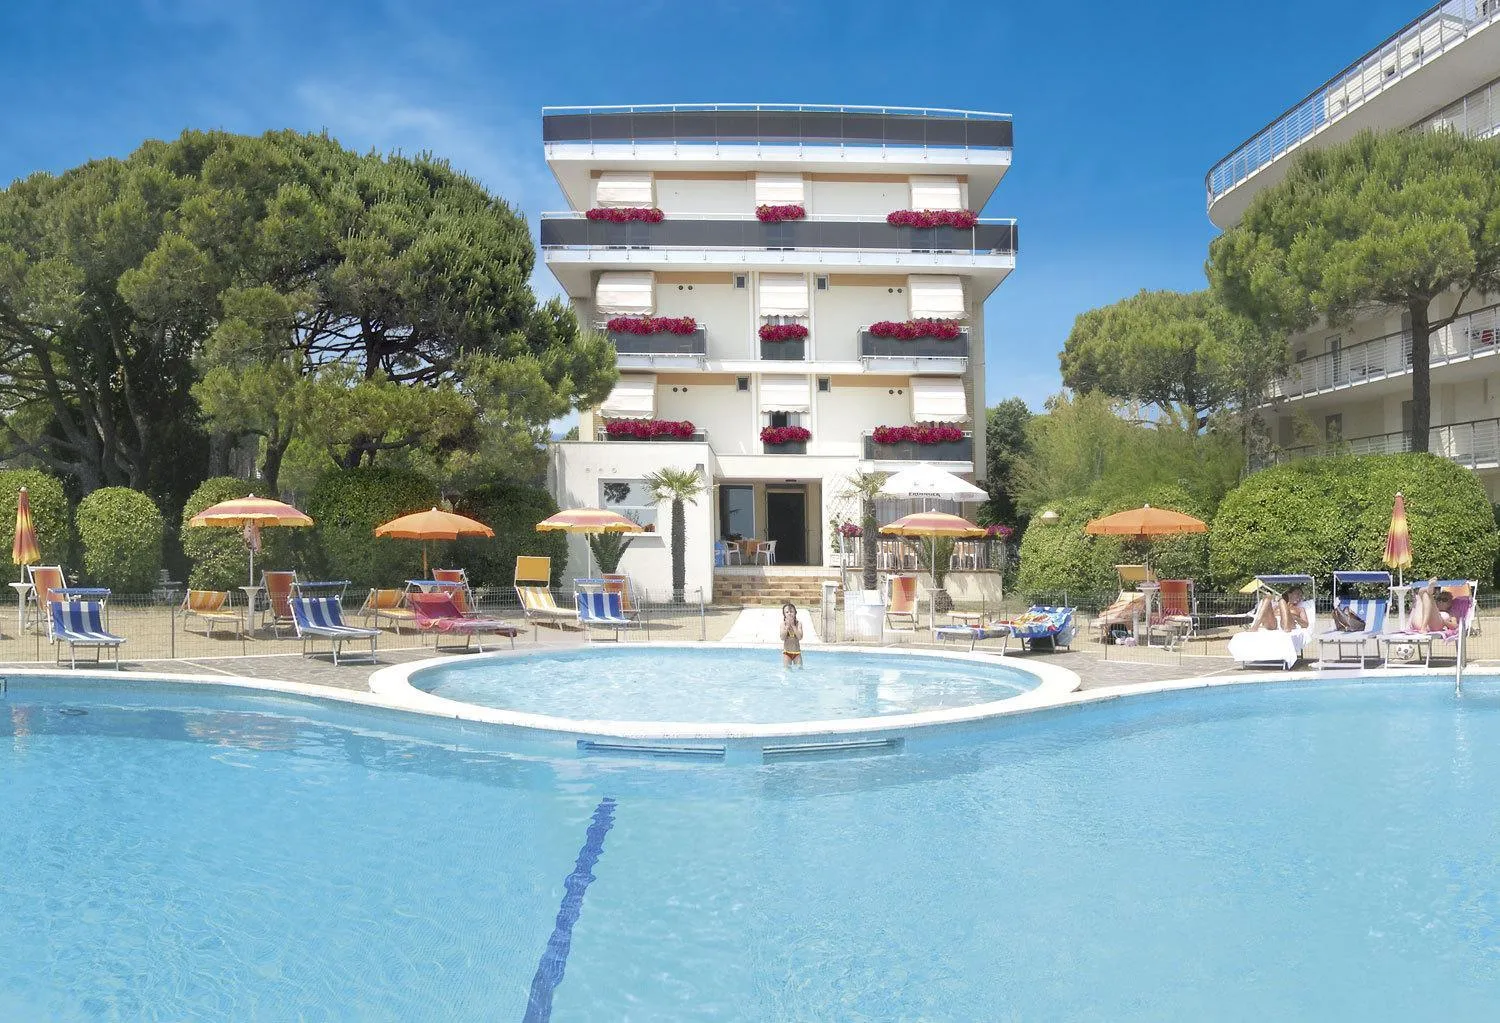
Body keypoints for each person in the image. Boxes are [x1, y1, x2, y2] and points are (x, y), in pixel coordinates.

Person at [780, 601, 804, 667]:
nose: (789, 614)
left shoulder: (799, 624)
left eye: (791, 612)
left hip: (797, 653)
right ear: (784, 614)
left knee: (800, 669)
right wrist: (787, 627)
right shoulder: (783, 624)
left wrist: (793, 626)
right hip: (787, 653)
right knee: (787, 670)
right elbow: (782, 638)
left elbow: (800, 637)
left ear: (795, 613)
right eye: (787, 612)